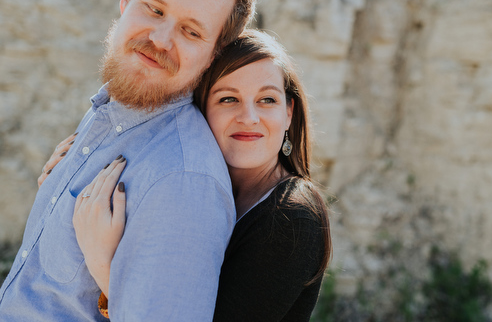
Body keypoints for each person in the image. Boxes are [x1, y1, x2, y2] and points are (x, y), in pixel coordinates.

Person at [0, 0, 258, 321]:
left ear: (213, 55)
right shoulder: (108, 112)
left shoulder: (184, 181)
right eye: (154, 9)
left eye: (191, 31)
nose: (159, 38)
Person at [46, 30, 332, 321]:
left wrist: (105, 266)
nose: (248, 117)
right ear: (200, 110)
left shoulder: (292, 220)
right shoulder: (199, 191)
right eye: (228, 99)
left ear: (288, 112)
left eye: (267, 100)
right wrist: (68, 173)